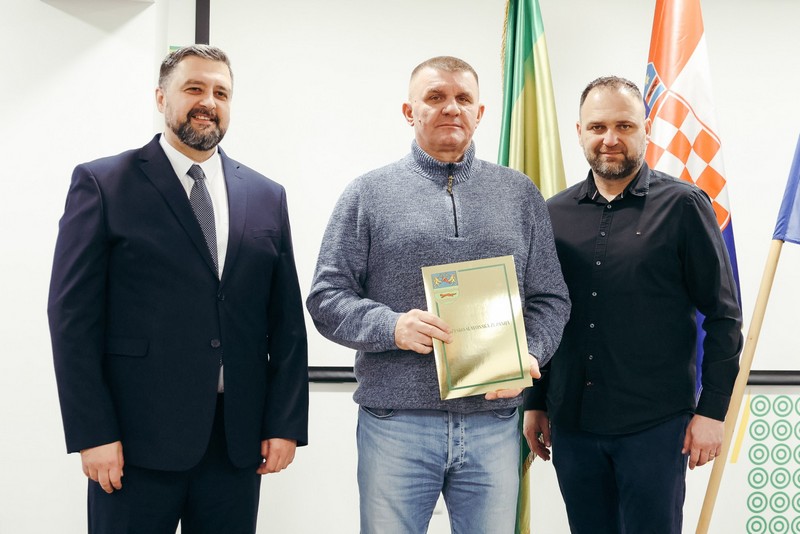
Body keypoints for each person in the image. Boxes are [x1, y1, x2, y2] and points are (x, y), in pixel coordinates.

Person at [47, 45, 309, 534]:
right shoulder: (103, 183)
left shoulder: (266, 195)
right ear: (160, 97)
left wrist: (284, 423)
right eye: (194, 88)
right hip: (134, 443)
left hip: (235, 443)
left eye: (221, 93)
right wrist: (92, 432)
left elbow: (286, 322)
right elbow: (72, 320)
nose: (208, 101)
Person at [306, 56, 570, 534]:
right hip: (396, 422)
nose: (451, 108)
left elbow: (550, 297)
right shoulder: (367, 194)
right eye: (435, 97)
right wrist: (391, 327)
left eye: (463, 98)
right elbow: (327, 296)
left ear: (480, 113)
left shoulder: (519, 193)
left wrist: (527, 353)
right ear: (409, 111)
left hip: (493, 422)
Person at [524, 76, 743, 534]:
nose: (610, 139)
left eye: (624, 126)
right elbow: (543, 314)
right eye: (597, 127)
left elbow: (723, 316)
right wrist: (535, 402)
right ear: (579, 132)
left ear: (646, 129)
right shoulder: (552, 214)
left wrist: (712, 411)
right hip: (573, 424)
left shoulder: (684, 206)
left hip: (656, 427)